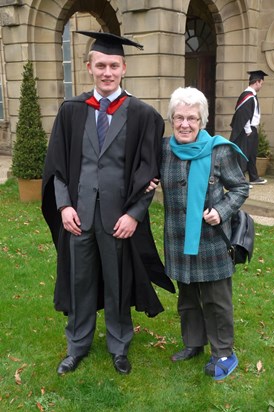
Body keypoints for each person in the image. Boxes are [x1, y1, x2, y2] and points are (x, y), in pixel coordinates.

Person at [41, 31, 175, 376]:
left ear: (124, 68)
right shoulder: (72, 111)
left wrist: (134, 214)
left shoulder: (144, 116)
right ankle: (77, 345)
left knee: (118, 282)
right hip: (79, 214)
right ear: (89, 68)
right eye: (100, 65)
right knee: (80, 281)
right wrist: (63, 206)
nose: (107, 72)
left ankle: (119, 345)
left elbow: (150, 172)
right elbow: (56, 167)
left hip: (118, 217)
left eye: (113, 65)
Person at [160, 87, 249, 380]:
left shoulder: (219, 150)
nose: (185, 124)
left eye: (192, 118)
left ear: (202, 121)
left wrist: (221, 211)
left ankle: (224, 352)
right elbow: (148, 173)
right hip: (178, 238)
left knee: (215, 300)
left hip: (211, 241)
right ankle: (193, 343)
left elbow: (239, 188)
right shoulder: (164, 149)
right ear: (172, 119)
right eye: (179, 117)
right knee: (187, 296)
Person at [230, 70, 268, 185]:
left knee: (251, 154)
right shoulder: (247, 96)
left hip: (252, 129)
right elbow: (244, 114)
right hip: (247, 130)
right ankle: (240, 180)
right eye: (261, 83)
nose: (261, 86)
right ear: (257, 82)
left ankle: (254, 177)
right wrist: (248, 130)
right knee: (243, 154)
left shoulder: (252, 96)